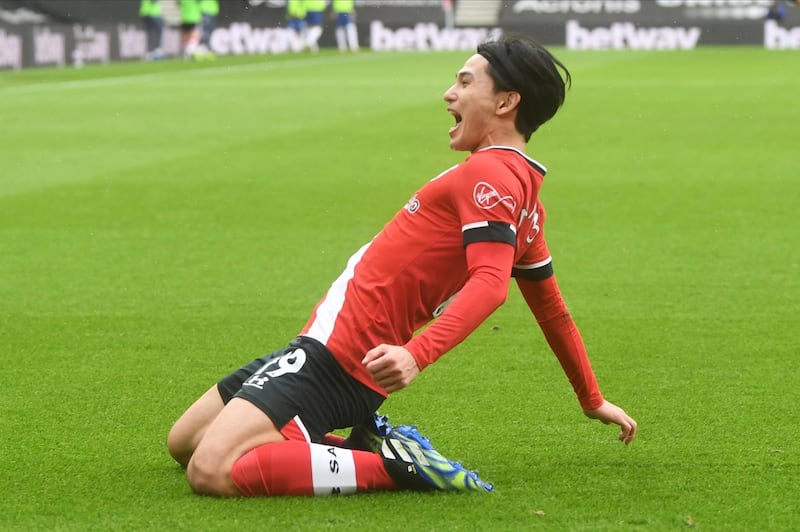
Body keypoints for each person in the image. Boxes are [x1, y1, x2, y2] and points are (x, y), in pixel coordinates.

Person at [167, 32, 638, 498]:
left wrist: (417, 354)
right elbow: (552, 312)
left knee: (211, 470)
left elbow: (492, 284)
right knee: (186, 443)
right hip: (329, 347)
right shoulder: (522, 198)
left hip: (341, 359)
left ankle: (397, 466)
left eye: (466, 82)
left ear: (505, 103)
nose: (449, 93)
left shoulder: (490, 174)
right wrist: (591, 399)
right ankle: (359, 445)